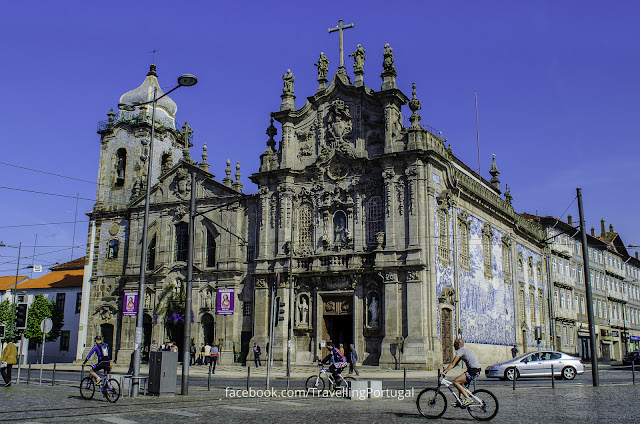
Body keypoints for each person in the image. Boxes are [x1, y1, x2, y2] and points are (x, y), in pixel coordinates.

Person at [440, 339, 481, 407]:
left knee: (456, 382)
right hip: (475, 370)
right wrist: (446, 370)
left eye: (454, 344)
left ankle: (468, 398)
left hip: (473, 371)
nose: (453, 346)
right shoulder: (465, 350)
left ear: (458, 345)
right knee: (460, 383)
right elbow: (455, 364)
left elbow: (453, 363)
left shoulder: (460, 350)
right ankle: (460, 400)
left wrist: (444, 372)